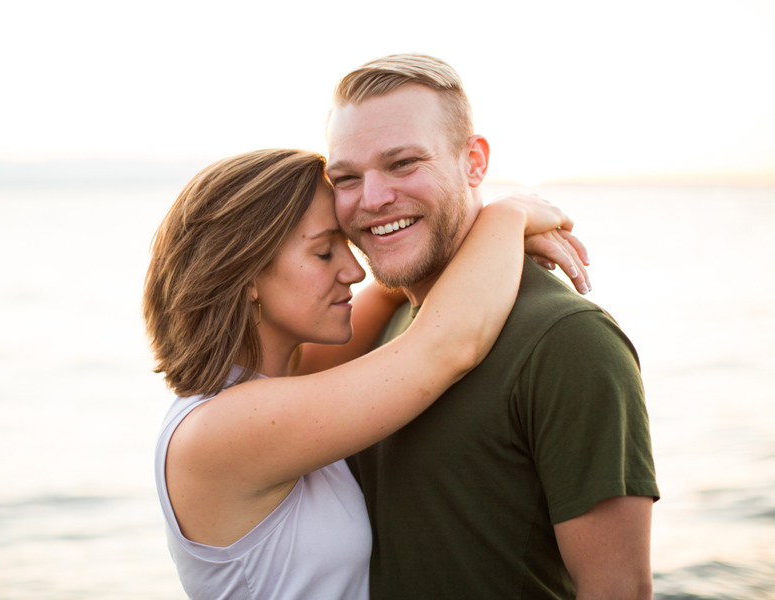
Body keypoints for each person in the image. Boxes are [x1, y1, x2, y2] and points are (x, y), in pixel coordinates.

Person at [144, 148, 589, 599]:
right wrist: (508, 217)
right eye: (323, 253)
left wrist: (465, 244)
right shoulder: (221, 431)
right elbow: (447, 345)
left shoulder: (281, 383)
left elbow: (397, 290)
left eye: (346, 244)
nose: (354, 270)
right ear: (247, 277)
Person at [323, 53, 660, 599]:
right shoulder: (382, 324)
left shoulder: (568, 340)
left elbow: (618, 590)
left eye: (404, 163)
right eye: (346, 177)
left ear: (474, 162)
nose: (374, 198)